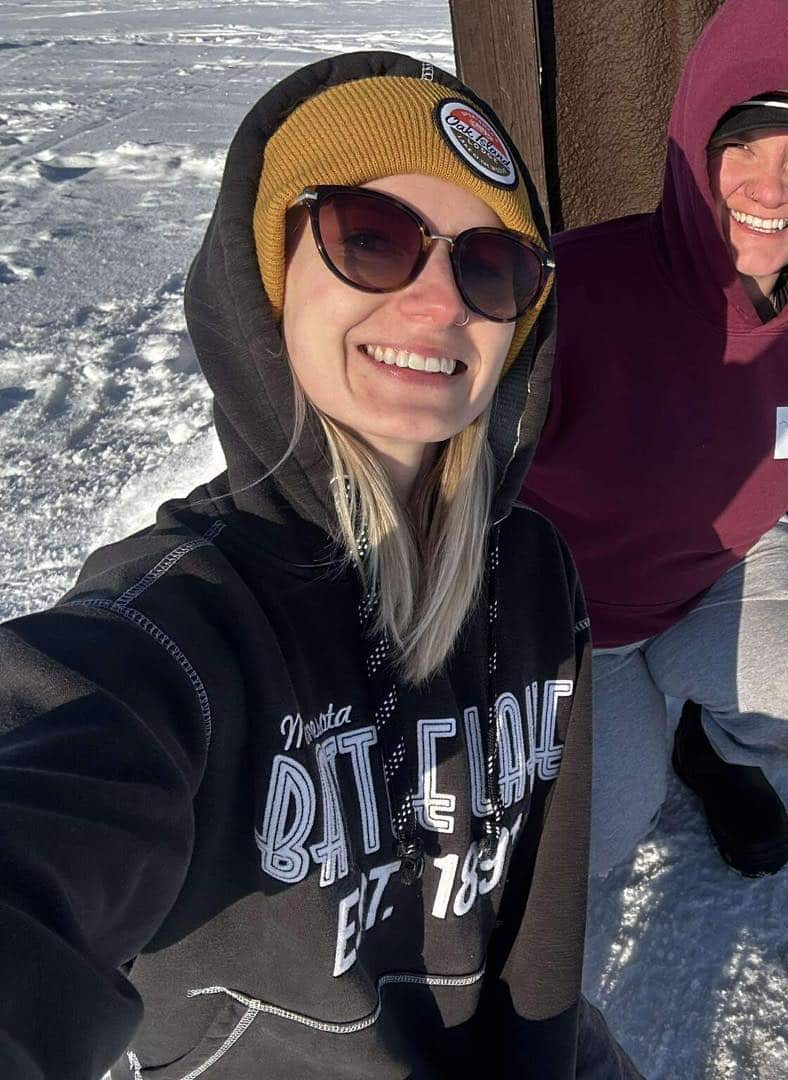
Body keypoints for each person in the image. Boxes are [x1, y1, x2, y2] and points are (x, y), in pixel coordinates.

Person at [0, 52, 635, 1079]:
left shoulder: (533, 573)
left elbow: (542, 911)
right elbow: (51, 777)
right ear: (267, 274)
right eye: (371, 238)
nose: (439, 305)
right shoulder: (186, 627)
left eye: (492, 265)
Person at [521, 0, 788, 878]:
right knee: (591, 852)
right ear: (697, 157)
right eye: (741, 146)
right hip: (571, 618)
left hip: (714, 578)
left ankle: (715, 752)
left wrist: (770, 515)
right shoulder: (569, 293)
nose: (769, 188)